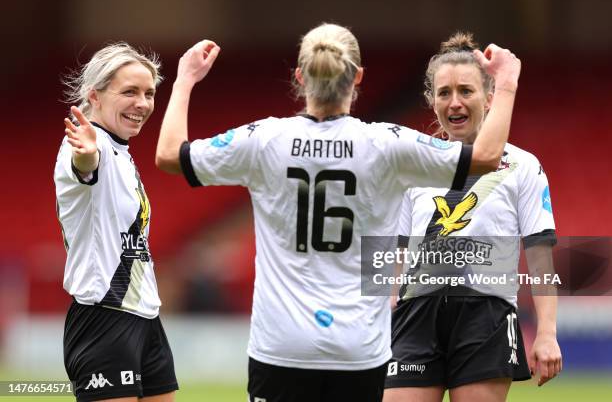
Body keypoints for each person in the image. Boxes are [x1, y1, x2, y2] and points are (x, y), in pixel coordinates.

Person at [155, 23, 519, 402]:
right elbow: (486, 157)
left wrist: (185, 80)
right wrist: (505, 82)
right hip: (358, 345)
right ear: (358, 77)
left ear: (299, 76)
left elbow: (169, 155)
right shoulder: (386, 143)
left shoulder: (262, 139)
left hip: (281, 343)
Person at [383, 33, 562, 402]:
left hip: (487, 317)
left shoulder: (523, 165)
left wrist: (546, 331)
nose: (455, 102)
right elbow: (397, 252)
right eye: (444, 92)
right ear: (431, 101)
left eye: (466, 90)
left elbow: (540, 252)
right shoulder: (414, 163)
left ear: (491, 97)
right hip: (415, 316)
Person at [54, 43, 178, 402]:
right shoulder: (85, 146)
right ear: (95, 96)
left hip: (145, 318)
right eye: (129, 92)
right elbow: (84, 166)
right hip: (103, 320)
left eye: (149, 93)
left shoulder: (120, 151)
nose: (142, 103)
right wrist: (87, 155)